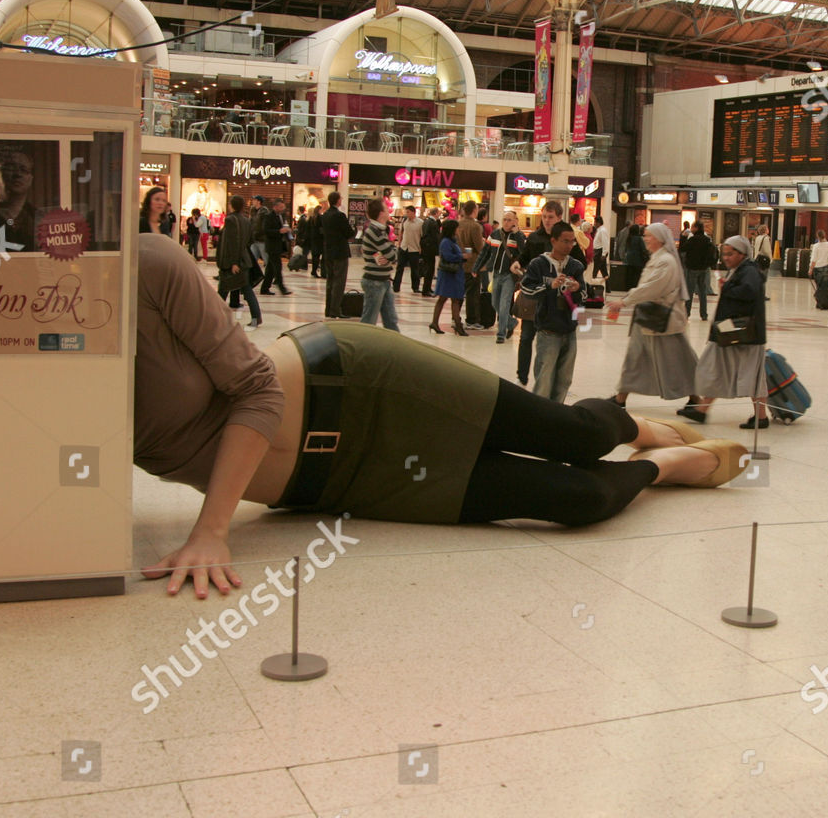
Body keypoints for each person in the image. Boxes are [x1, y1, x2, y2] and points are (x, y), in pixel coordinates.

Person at [132, 232, 749, 598]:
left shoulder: (149, 265)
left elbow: (258, 393)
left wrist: (212, 529)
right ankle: (661, 468)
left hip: (357, 385)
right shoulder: (47, 380)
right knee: (577, 499)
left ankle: (635, 428)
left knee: (574, 436)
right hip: (344, 484)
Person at [677, 236, 770, 429]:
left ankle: (760, 417)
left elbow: (749, 291)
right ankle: (703, 410)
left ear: (742, 253)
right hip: (732, 330)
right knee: (718, 366)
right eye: (724, 254)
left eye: (730, 254)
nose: (726, 258)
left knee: (748, 373)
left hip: (745, 333)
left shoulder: (749, 271)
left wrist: (726, 288)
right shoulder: (740, 270)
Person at [607, 223, 698, 408]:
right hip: (648, 319)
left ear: (660, 238)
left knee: (679, 361)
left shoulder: (666, 261)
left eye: (649, 236)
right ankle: (620, 398)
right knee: (634, 358)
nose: (645, 239)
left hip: (662, 322)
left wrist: (624, 301)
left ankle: (697, 398)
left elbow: (651, 288)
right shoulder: (658, 258)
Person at [513, 201, 586, 386]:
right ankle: (522, 374)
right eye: (544, 216)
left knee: (555, 346)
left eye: (550, 217)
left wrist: (573, 283)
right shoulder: (535, 238)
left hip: (559, 305)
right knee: (527, 335)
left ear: (559, 217)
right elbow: (526, 256)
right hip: (537, 296)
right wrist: (518, 263)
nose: (546, 220)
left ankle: (549, 380)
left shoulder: (568, 238)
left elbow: (579, 264)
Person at [216, 195, 262, 329]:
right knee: (245, 289)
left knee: (224, 289)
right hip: (244, 260)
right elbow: (249, 240)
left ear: (231, 205)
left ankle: (214, 317)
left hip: (233, 262)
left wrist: (234, 262)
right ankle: (256, 317)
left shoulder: (230, 220)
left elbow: (232, 242)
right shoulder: (246, 220)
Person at [480, 210, 526, 343]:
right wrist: (479, 267)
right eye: (504, 219)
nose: (506, 222)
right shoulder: (495, 234)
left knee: (504, 304)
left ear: (515, 221)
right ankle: (511, 323)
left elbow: (524, 252)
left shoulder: (519, 235)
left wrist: (517, 234)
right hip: (496, 273)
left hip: (510, 275)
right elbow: (486, 252)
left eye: (509, 220)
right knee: (495, 303)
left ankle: (501, 334)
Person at [359, 199, 399, 331]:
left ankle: (395, 347)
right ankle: (362, 348)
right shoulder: (375, 231)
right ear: (381, 213)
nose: (389, 212)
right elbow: (392, 255)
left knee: (391, 320)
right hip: (374, 281)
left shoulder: (381, 230)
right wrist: (390, 255)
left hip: (383, 280)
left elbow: (389, 255)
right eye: (387, 210)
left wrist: (388, 256)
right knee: (369, 320)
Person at [430, 219, 468, 336]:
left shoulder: (452, 241)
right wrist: (461, 256)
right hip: (448, 274)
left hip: (453, 274)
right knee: (447, 298)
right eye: (456, 228)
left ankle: (441, 323)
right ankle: (456, 324)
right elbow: (447, 256)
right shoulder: (446, 242)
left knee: (452, 299)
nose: (458, 230)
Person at [320, 192, 355, 318]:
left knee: (330, 280)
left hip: (328, 251)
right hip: (340, 252)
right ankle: (335, 310)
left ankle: (328, 309)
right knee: (339, 282)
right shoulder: (339, 216)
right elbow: (348, 232)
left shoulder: (325, 215)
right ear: (337, 201)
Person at [457, 201, 486, 327]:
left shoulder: (458, 224)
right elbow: (479, 247)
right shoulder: (475, 226)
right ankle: (472, 319)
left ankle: (455, 316)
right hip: (472, 263)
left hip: (459, 262)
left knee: (459, 291)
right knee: (473, 293)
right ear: (474, 211)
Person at [681, 222, 717, 321]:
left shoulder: (692, 240)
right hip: (704, 269)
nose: (691, 229)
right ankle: (704, 314)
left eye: (693, 227)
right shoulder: (707, 240)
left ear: (696, 228)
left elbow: (682, 249)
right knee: (702, 292)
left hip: (692, 268)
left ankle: (686, 313)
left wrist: (683, 237)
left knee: (690, 292)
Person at [259, 199, 292, 296]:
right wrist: (279, 231)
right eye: (280, 207)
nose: (282, 209)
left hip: (279, 245)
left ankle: (264, 288)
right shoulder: (268, 217)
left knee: (270, 269)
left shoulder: (282, 216)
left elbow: (283, 227)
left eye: (283, 207)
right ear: (275, 207)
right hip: (272, 246)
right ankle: (282, 288)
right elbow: (266, 230)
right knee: (277, 267)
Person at [393, 205, 424, 293]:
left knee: (414, 269)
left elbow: (422, 236)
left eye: (408, 212)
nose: (407, 214)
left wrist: (421, 248)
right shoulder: (404, 221)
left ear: (413, 212)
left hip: (414, 249)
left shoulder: (420, 222)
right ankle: (396, 286)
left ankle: (415, 287)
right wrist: (399, 244)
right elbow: (401, 233)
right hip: (404, 247)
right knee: (400, 267)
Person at [419, 207, 441, 297]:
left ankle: (427, 288)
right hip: (430, 249)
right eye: (439, 213)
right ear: (435, 213)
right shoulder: (432, 223)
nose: (440, 214)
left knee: (429, 268)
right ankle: (426, 289)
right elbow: (434, 237)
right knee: (429, 269)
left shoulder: (427, 222)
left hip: (427, 249)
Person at [622, 224, 648, 290]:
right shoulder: (639, 239)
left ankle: (628, 288)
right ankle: (635, 288)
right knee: (637, 276)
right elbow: (643, 249)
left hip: (629, 259)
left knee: (630, 275)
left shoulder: (628, 238)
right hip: (637, 260)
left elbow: (625, 249)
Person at [307, 204, 324, 278]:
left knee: (314, 256)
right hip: (319, 239)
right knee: (317, 256)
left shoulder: (311, 218)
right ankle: (314, 271)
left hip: (313, 239)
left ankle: (313, 270)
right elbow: (322, 228)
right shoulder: (320, 218)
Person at [592, 215, 610, 280]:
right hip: (598, 251)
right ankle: (608, 287)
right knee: (604, 271)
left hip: (600, 252)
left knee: (595, 269)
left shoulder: (603, 230)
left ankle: (592, 284)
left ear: (598, 222)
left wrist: (603, 254)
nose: (594, 224)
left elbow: (605, 242)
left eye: (595, 222)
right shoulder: (599, 230)